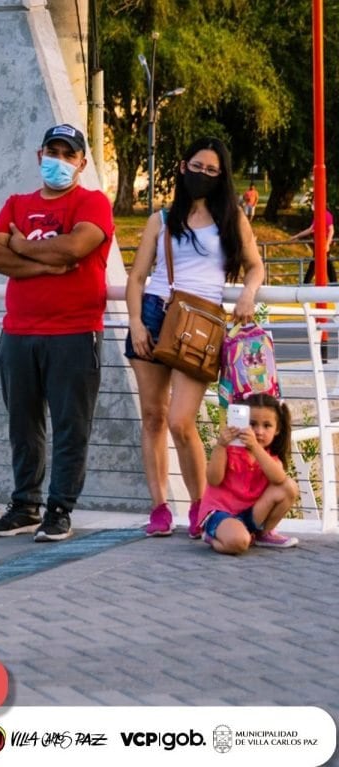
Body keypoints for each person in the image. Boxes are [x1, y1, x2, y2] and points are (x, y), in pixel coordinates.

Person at [125, 136, 265, 538]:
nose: (202, 174)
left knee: (181, 421)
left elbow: (255, 267)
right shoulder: (162, 219)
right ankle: (159, 508)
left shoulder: (232, 218)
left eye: (211, 170)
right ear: (183, 167)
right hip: (154, 315)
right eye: (196, 166)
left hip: (201, 325)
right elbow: (137, 277)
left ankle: (202, 506)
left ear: (221, 177)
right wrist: (135, 321)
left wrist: (248, 295)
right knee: (152, 417)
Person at [0, 123, 114, 542]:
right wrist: (46, 265)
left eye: (67, 154)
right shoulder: (16, 203)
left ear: (82, 162)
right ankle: (24, 505)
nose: (58, 160)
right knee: (23, 422)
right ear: (40, 156)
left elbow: (76, 248)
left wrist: (20, 248)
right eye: (52, 152)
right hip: (19, 331)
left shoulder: (93, 203)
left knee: (71, 424)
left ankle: (59, 509)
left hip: (75, 331)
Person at [199, 394, 299, 554]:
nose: (259, 431)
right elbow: (213, 480)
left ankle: (263, 534)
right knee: (239, 542)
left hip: (249, 515)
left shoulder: (269, 458)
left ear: (277, 429)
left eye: (267, 426)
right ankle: (211, 537)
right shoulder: (230, 450)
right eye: (252, 424)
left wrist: (255, 448)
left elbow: (280, 479)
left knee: (289, 487)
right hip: (221, 513)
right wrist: (220, 446)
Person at [289, 207, 336, 283]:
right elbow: (310, 229)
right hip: (318, 243)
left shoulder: (326, 214)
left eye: (314, 204)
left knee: (316, 264)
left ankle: (306, 284)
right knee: (325, 263)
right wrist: (297, 236)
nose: (312, 206)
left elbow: (331, 230)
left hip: (323, 243)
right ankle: (334, 283)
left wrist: (327, 244)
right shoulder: (318, 215)